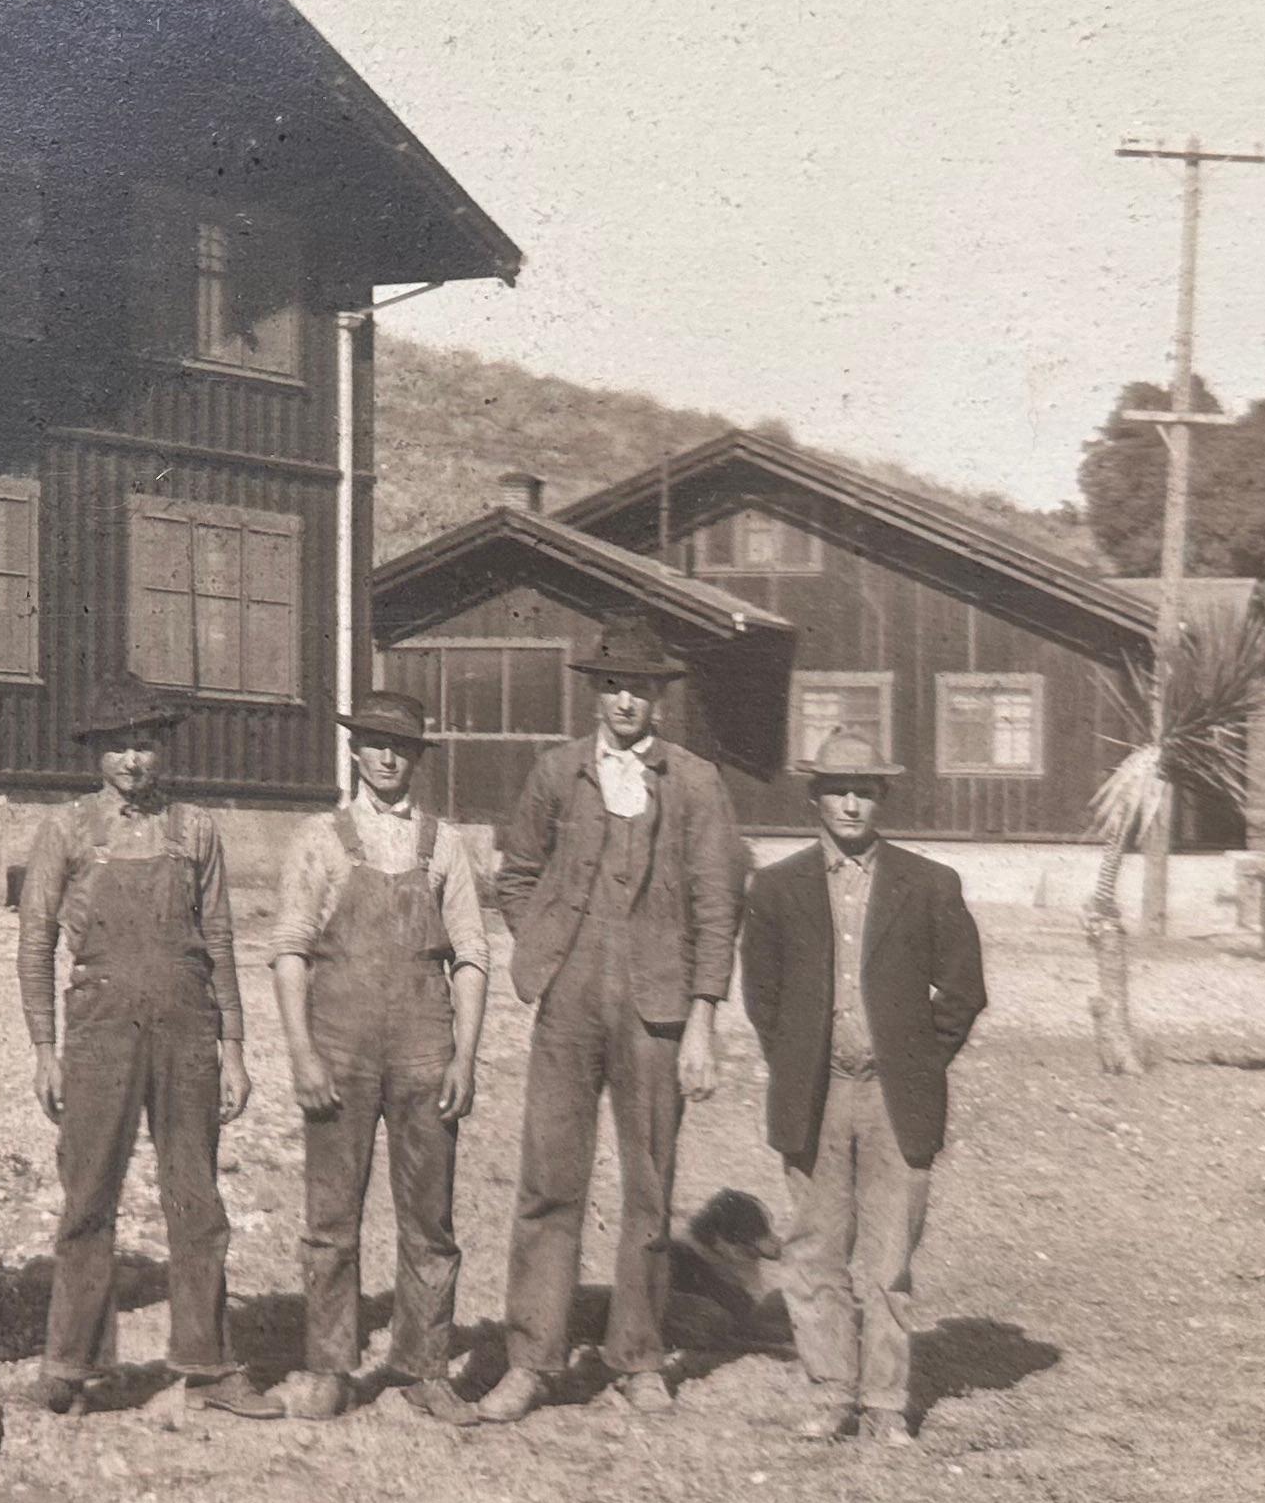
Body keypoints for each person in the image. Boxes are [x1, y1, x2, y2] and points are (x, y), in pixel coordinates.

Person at [478, 617, 746, 1421]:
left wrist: (702, 1019)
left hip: (656, 1011)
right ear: (595, 691)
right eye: (613, 686)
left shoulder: (694, 783)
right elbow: (515, 876)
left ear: (659, 696)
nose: (626, 700)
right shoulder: (558, 774)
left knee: (649, 1188)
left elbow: (716, 903)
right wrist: (548, 950)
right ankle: (530, 1358)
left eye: (641, 687)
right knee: (548, 1180)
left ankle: (637, 1356)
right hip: (567, 1008)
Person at [12, 682, 279, 1420]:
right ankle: (71, 1364)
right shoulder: (66, 831)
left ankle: (209, 1362)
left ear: (162, 749)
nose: (132, 760)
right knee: (87, 1194)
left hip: (187, 1027)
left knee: (195, 1195)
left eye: (145, 744)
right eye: (118, 745)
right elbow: (34, 943)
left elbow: (220, 940)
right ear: (97, 753)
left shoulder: (195, 830)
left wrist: (234, 1046)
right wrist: (44, 1048)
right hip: (97, 1032)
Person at [737, 729, 987, 1446]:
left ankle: (883, 1402)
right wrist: (799, 1061)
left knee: (888, 1256)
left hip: (894, 1096)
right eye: (837, 789)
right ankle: (829, 1390)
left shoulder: (927, 884)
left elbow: (963, 990)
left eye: (864, 790)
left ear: (881, 798)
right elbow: (763, 996)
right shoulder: (777, 887)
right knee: (813, 1248)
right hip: (814, 1094)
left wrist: (914, 1058)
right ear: (813, 796)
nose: (850, 803)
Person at [263, 688, 499, 1425]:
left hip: (425, 1051)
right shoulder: (320, 839)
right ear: (355, 751)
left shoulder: (444, 844)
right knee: (331, 1218)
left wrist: (464, 1055)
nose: (387, 756)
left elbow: (471, 952)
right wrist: (301, 1053)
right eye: (373, 742)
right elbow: (288, 950)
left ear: (416, 757)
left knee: (428, 1220)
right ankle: (330, 1365)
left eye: (400, 745)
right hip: (339, 1050)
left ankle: (426, 1365)